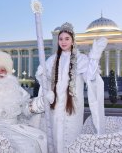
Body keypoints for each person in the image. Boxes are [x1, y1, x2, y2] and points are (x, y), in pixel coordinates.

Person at [28, 22, 107, 153]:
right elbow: (45, 83)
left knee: (70, 141)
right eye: (60, 39)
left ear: (72, 40)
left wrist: (94, 57)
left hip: (72, 109)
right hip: (55, 109)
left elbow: (91, 76)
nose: (63, 42)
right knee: (54, 140)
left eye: (67, 38)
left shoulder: (81, 59)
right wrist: (41, 74)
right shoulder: (52, 59)